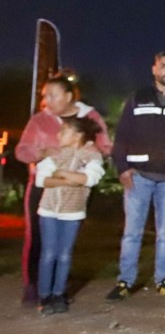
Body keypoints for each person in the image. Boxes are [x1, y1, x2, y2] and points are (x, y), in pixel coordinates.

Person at [105, 51, 165, 303]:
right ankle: (125, 281)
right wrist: (122, 167)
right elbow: (122, 135)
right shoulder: (137, 98)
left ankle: (164, 280)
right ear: (154, 69)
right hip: (138, 177)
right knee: (132, 232)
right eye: (164, 66)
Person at [15, 73, 112, 306]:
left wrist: (88, 151)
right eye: (45, 96)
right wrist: (41, 152)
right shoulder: (39, 120)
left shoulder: (90, 116)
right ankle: (34, 285)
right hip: (44, 187)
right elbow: (22, 151)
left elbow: (105, 147)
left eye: (53, 95)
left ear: (69, 96)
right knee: (37, 236)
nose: (47, 100)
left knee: (65, 242)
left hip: (77, 190)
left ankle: (59, 288)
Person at [35, 116, 105, 315]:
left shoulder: (92, 155)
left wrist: (61, 174)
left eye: (63, 131)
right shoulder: (56, 154)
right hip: (48, 210)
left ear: (77, 136)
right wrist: (72, 179)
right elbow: (42, 180)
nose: (58, 135)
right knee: (48, 253)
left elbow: (90, 178)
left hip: (72, 212)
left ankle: (59, 294)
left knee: (64, 254)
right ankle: (44, 295)